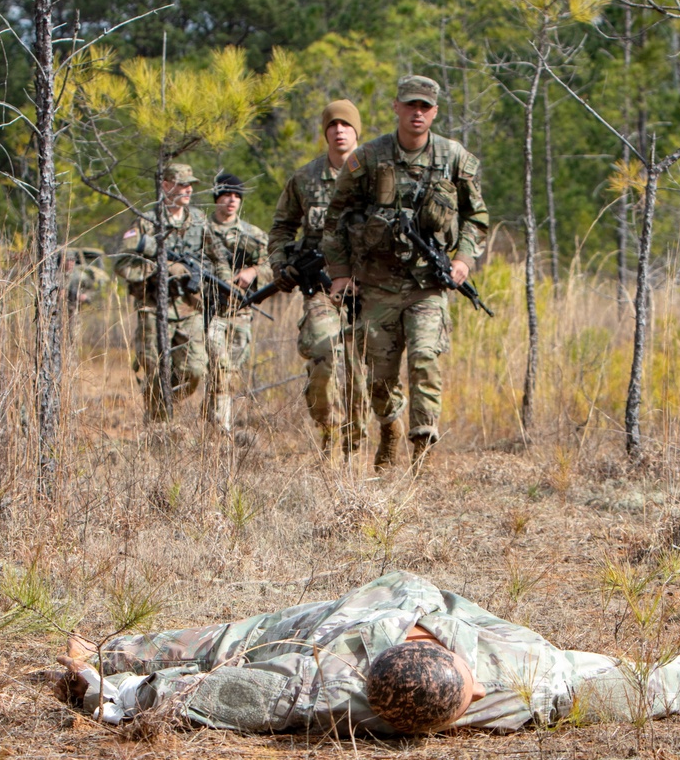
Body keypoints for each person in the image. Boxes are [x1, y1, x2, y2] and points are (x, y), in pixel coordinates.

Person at [55, 570, 680, 736]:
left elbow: (654, 685)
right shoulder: (331, 669)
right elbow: (225, 662)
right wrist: (114, 668)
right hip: (387, 610)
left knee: (254, 659)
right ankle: (124, 644)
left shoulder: (531, 681)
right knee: (255, 635)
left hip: (453, 622)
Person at [321, 76, 489, 472]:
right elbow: (336, 218)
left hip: (427, 284)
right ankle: (391, 427)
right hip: (376, 285)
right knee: (380, 376)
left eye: (426, 107)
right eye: (411, 105)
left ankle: (424, 445)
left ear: (435, 112)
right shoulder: (368, 158)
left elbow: (476, 218)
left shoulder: (453, 158)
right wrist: (341, 274)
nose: (418, 113)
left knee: (425, 358)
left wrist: (463, 259)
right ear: (396, 106)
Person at [267, 100, 368, 455]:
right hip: (322, 289)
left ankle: (357, 446)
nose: (339, 130)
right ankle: (329, 432)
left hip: (370, 288)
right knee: (325, 355)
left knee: (361, 369)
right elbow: (281, 227)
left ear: (357, 130)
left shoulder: (375, 174)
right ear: (325, 131)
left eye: (346, 124)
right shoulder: (306, 178)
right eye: (332, 125)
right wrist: (281, 266)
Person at [114, 163, 227, 423]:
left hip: (189, 308)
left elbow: (217, 257)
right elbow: (122, 265)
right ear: (166, 186)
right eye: (182, 184)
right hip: (153, 307)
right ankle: (158, 422)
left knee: (194, 370)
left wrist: (223, 283)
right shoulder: (146, 221)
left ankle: (161, 401)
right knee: (153, 366)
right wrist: (161, 268)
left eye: (190, 185)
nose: (188, 190)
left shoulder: (198, 220)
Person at [203, 173, 273, 440]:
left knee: (228, 373)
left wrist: (252, 272)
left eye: (236, 195)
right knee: (216, 369)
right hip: (207, 311)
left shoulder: (253, 235)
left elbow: (273, 266)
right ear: (216, 197)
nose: (231, 200)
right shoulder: (201, 231)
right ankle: (221, 430)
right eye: (225, 194)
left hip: (240, 312)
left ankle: (214, 425)